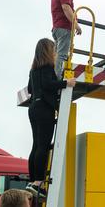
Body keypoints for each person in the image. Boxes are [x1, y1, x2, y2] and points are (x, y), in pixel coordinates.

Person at [26, 38, 76, 197]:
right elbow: (48, 84)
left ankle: (33, 180)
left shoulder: (33, 70)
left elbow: (29, 89)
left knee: (36, 145)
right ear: (48, 51)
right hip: (44, 109)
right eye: (53, 50)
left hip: (33, 107)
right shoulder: (47, 67)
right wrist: (66, 83)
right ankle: (38, 183)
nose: (55, 53)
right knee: (43, 146)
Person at [51, 0, 82, 79]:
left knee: (56, 54)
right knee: (62, 55)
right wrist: (76, 25)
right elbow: (66, 7)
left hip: (56, 28)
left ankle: (52, 75)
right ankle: (57, 78)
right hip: (64, 28)